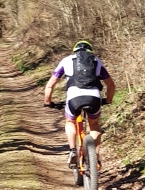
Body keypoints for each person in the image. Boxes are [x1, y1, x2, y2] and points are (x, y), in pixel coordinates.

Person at [43, 40, 116, 168]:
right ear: (90, 51)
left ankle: (72, 151)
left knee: (70, 122)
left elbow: (51, 84)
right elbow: (111, 85)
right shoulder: (96, 61)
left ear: (74, 50)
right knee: (94, 124)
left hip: (73, 97)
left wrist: (48, 102)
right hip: (94, 97)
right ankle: (96, 157)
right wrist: (108, 99)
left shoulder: (66, 60)